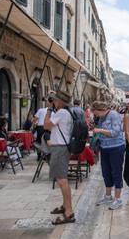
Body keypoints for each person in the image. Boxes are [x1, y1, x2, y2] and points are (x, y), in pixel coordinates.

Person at [43, 90, 75, 225]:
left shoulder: (61, 112)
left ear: (60, 102)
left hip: (60, 148)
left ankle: (69, 213)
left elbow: (46, 125)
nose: (53, 102)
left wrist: (49, 109)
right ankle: (65, 206)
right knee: (62, 179)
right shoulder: (66, 112)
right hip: (63, 148)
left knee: (62, 180)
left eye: (55, 100)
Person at [92, 101, 125, 210]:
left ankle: (118, 199)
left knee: (116, 172)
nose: (95, 115)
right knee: (106, 172)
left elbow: (115, 132)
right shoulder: (102, 117)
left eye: (96, 113)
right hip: (104, 148)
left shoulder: (114, 115)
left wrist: (100, 130)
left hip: (116, 148)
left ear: (100, 109)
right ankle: (107, 196)